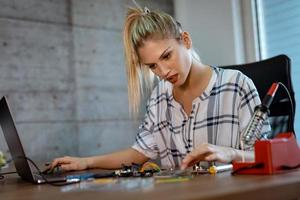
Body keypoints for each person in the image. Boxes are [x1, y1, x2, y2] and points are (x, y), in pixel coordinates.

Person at [49, 7, 270, 171]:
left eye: (167, 56)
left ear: (185, 40)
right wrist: (86, 162)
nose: (163, 71)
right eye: (153, 65)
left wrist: (229, 153)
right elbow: (140, 152)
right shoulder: (159, 97)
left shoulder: (236, 85)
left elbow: (267, 156)